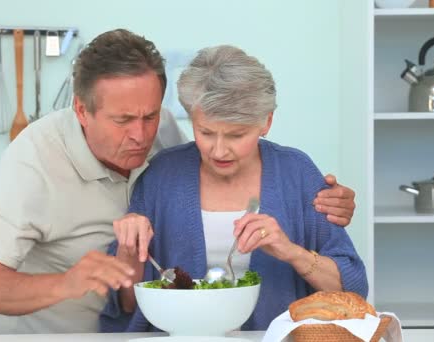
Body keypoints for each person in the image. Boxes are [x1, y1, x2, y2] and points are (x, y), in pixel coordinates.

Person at [0, 29, 357, 334]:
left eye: (150, 115)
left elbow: (351, 287)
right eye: (123, 121)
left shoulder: (167, 139)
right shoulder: (32, 163)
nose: (141, 135)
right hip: (52, 334)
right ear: (82, 111)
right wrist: (78, 278)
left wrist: (314, 221)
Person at [100, 45, 368, 332]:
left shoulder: (296, 173)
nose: (219, 150)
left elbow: (352, 288)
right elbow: (127, 304)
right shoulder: (162, 175)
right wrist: (128, 249)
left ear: (266, 122)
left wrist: (290, 251)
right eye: (205, 132)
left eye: (236, 135)